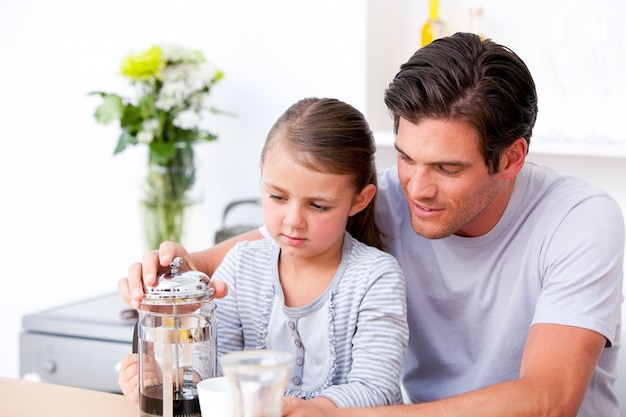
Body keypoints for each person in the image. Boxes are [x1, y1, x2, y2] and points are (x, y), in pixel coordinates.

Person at [120, 33, 625, 417]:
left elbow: (548, 398)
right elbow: (257, 247)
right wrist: (170, 264)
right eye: (406, 157)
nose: (417, 189)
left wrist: (338, 412)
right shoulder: (385, 196)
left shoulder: (579, 220)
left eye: (447, 169)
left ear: (512, 157)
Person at [118, 97, 409, 408]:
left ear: (359, 200)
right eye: (277, 196)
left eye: (318, 205)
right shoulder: (242, 264)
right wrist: (166, 380)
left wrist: (312, 410)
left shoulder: (376, 277)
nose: (293, 221)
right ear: (261, 176)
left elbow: (374, 388)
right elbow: (211, 370)